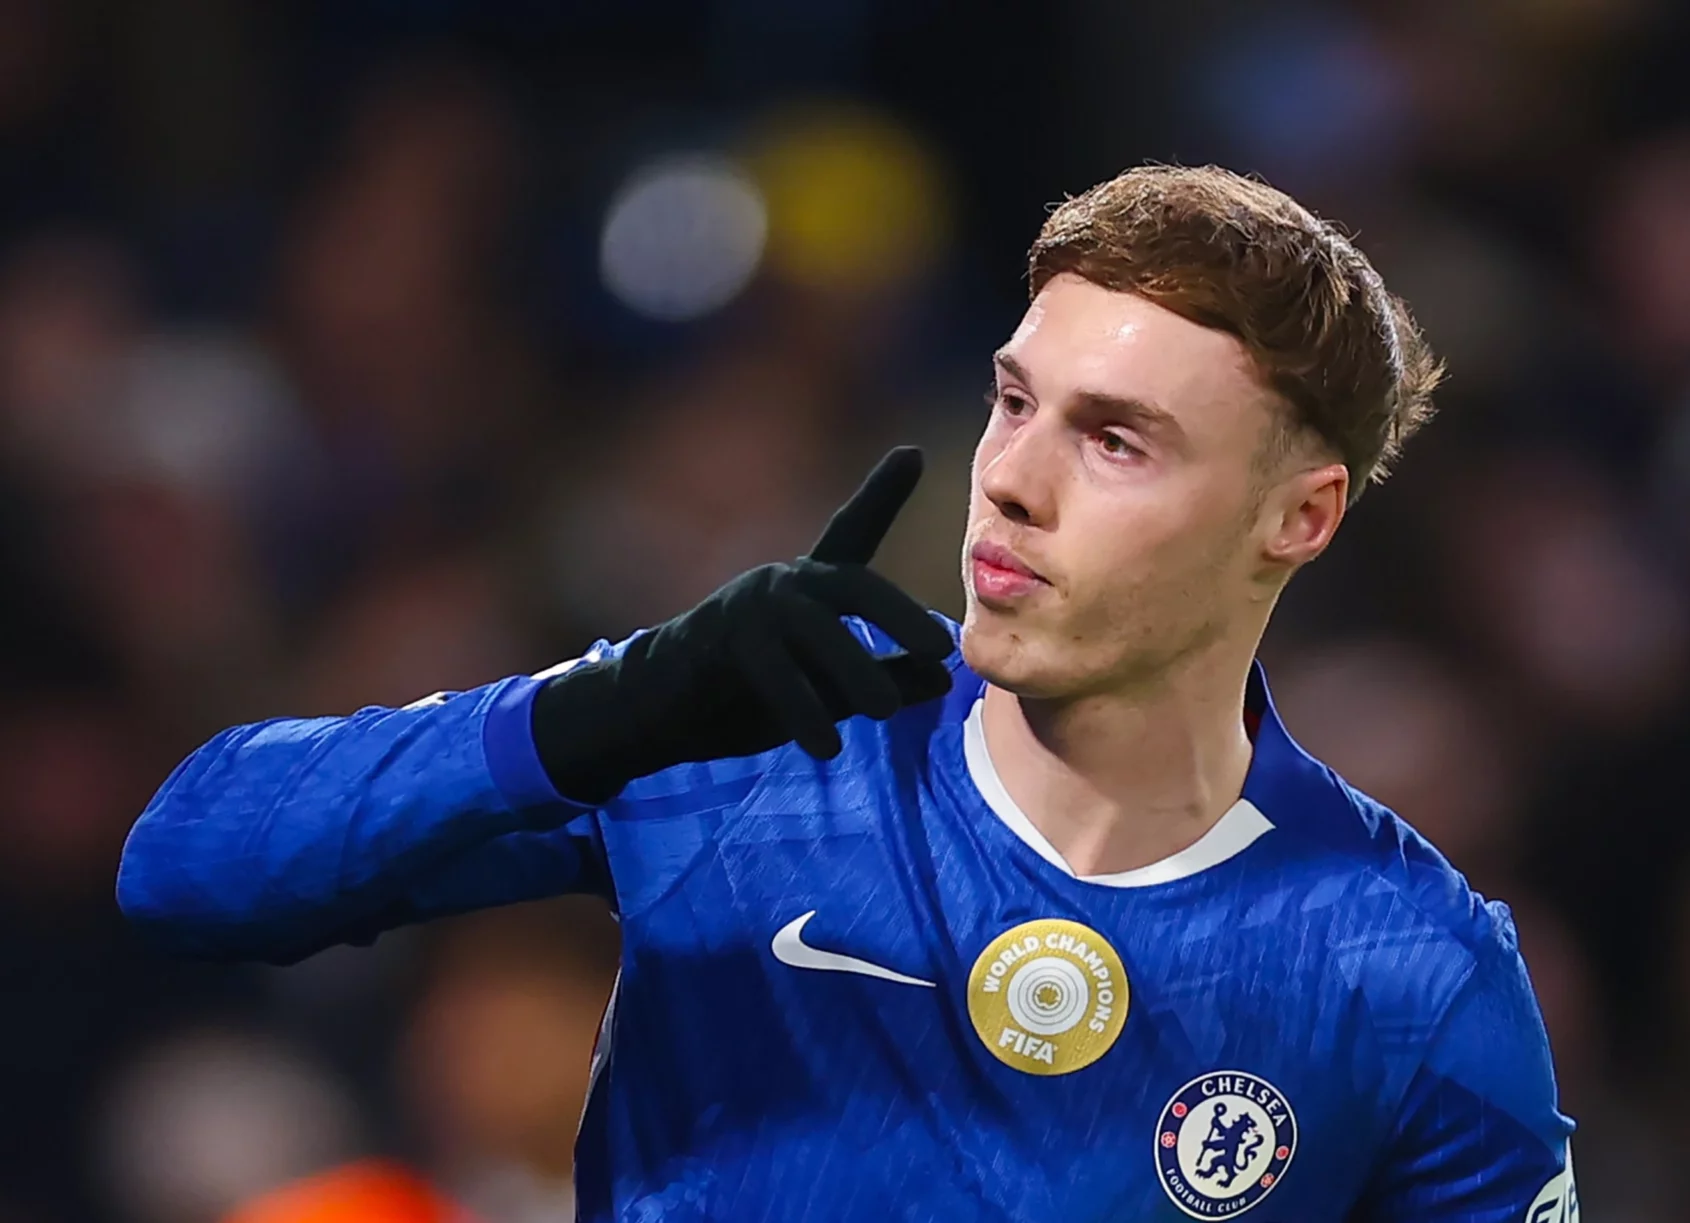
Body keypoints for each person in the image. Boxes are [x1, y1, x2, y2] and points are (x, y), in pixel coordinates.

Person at [118, 165, 1577, 1222]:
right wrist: (587, 719)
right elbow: (184, 868)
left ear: (1299, 516)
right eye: (1014, 400)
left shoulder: (1410, 969)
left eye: (1117, 441)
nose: (1012, 478)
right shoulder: (751, 733)